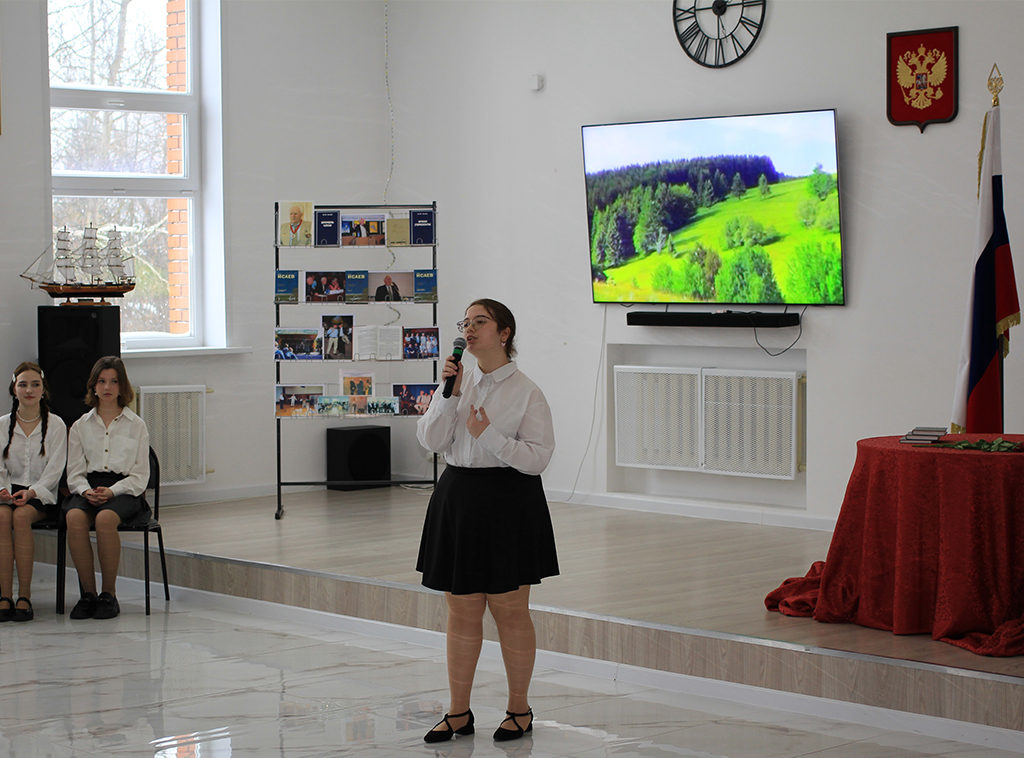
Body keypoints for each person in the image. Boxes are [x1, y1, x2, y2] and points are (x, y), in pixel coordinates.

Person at [416, 298, 557, 743]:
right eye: (466, 322)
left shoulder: (527, 391)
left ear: (504, 333)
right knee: (461, 611)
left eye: (480, 321)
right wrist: (448, 397)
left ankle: (519, 710)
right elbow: (432, 441)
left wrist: (489, 435)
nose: (470, 329)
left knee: (510, 611)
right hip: (458, 498)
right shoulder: (458, 383)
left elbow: (538, 459)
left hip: (508, 502)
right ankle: (458, 712)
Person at [63, 356, 150, 620]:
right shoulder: (80, 425)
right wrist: (85, 490)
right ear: (93, 386)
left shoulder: (136, 425)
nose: (107, 387)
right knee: (74, 517)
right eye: (101, 381)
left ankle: (108, 595)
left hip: (124, 490)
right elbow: (74, 472)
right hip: (89, 486)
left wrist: (112, 491)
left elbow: (140, 476)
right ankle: (88, 595)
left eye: (113, 381)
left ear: (122, 386)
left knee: (104, 519)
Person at [0, 363, 68, 622]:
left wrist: (32, 493)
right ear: (14, 389)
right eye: (23, 385)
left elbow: (55, 470)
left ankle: (24, 596)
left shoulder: (56, 425)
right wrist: (3, 491)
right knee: (3, 516)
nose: (29, 390)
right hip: (8, 491)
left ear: (43, 390)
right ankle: (5, 596)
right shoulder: (2, 424)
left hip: (42, 494)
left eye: (35, 385)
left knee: (20, 517)